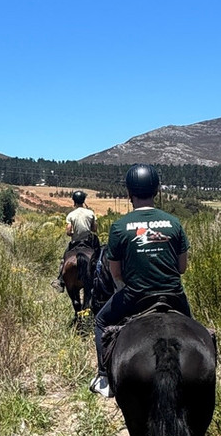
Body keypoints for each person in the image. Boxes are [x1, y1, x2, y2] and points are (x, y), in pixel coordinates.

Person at [90, 164, 191, 397]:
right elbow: (182, 268)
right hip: (173, 294)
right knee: (195, 329)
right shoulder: (174, 223)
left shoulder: (119, 227)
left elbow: (116, 273)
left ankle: (104, 375)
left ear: (129, 192)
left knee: (100, 321)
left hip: (135, 296)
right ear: (156, 190)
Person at [55, 190, 98, 287]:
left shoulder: (71, 215)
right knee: (98, 258)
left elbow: (68, 232)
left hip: (75, 242)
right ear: (83, 200)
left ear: (74, 201)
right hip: (88, 242)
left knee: (65, 258)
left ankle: (60, 280)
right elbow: (95, 229)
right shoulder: (90, 213)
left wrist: (74, 233)